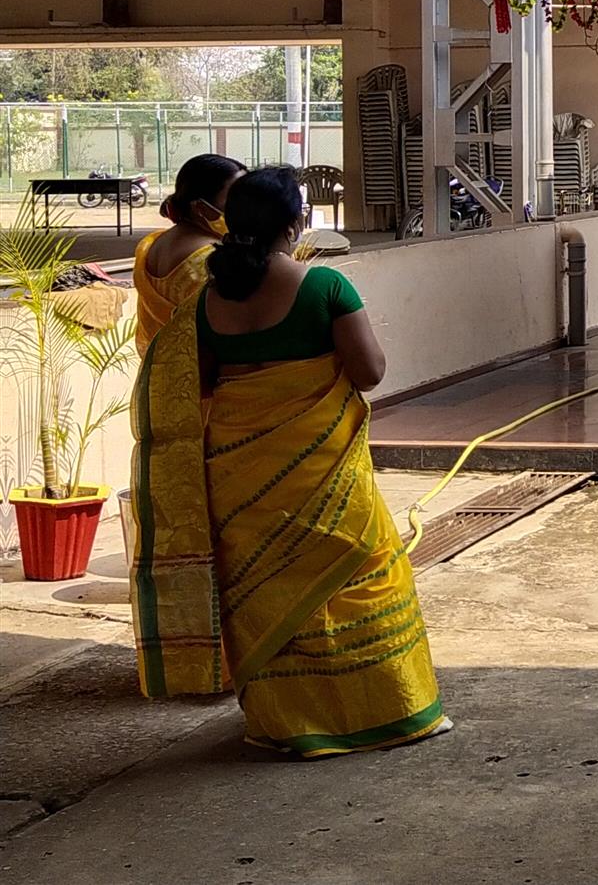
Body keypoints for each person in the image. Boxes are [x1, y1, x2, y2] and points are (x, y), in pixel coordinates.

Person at [128, 165, 450, 758]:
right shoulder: (325, 287)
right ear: (296, 221)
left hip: (237, 473)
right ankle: (387, 711)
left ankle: (285, 723)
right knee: (361, 570)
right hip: (320, 468)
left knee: (261, 588)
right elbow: (370, 374)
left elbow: (198, 386)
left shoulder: (207, 302)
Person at [132, 154, 243, 355]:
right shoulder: (210, 259)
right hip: (196, 375)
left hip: (160, 370)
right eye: (235, 199)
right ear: (200, 207)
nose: (245, 206)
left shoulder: (155, 242)